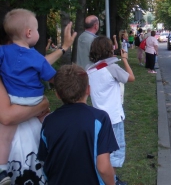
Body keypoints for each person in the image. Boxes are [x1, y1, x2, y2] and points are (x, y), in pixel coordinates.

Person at [0, 21, 76, 184]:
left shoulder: (10, 60)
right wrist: (41, 104)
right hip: (16, 147)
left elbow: (37, 62)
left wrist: (63, 48)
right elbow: (7, 117)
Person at [38, 64, 118, 185]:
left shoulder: (48, 120)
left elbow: (44, 160)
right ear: (88, 89)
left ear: (58, 94)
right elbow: (103, 167)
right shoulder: (100, 118)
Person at [87, 36, 135, 185]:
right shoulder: (112, 68)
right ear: (109, 50)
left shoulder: (90, 69)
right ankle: (111, 181)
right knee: (115, 154)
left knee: (102, 151)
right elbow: (131, 78)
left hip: (98, 119)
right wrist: (125, 59)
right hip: (114, 118)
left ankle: (108, 179)